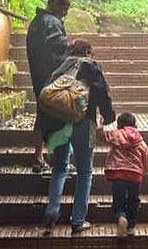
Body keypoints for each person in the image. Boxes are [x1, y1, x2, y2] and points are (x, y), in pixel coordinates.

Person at [40, 39, 115, 235]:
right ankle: (78, 220)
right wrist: (108, 118)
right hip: (84, 122)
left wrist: (46, 130)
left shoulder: (61, 66)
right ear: (89, 52)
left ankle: (52, 212)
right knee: (84, 172)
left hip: (58, 125)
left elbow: (48, 94)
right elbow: (102, 93)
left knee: (59, 168)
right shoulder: (91, 66)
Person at [26, 0, 72, 174]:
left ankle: (39, 158)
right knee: (58, 116)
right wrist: (73, 49)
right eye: (64, 7)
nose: (66, 12)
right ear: (53, 2)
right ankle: (58, 161)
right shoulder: (51, 22)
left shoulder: (37, 21)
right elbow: (58, 46)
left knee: (42, 114)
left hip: (39, 76)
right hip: (51, 77)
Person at [98, 112, 148, 238]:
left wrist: (100, 126)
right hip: (135, 176)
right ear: (135, 125)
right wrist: (144, 171)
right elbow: (147, 161)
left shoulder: (116, 135)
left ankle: (121, 216)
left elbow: (101, 137)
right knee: (133, 200)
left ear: (119, 125)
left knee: (118, 201)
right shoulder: (140, 142)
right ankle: (131, 227)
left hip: (118, 175)